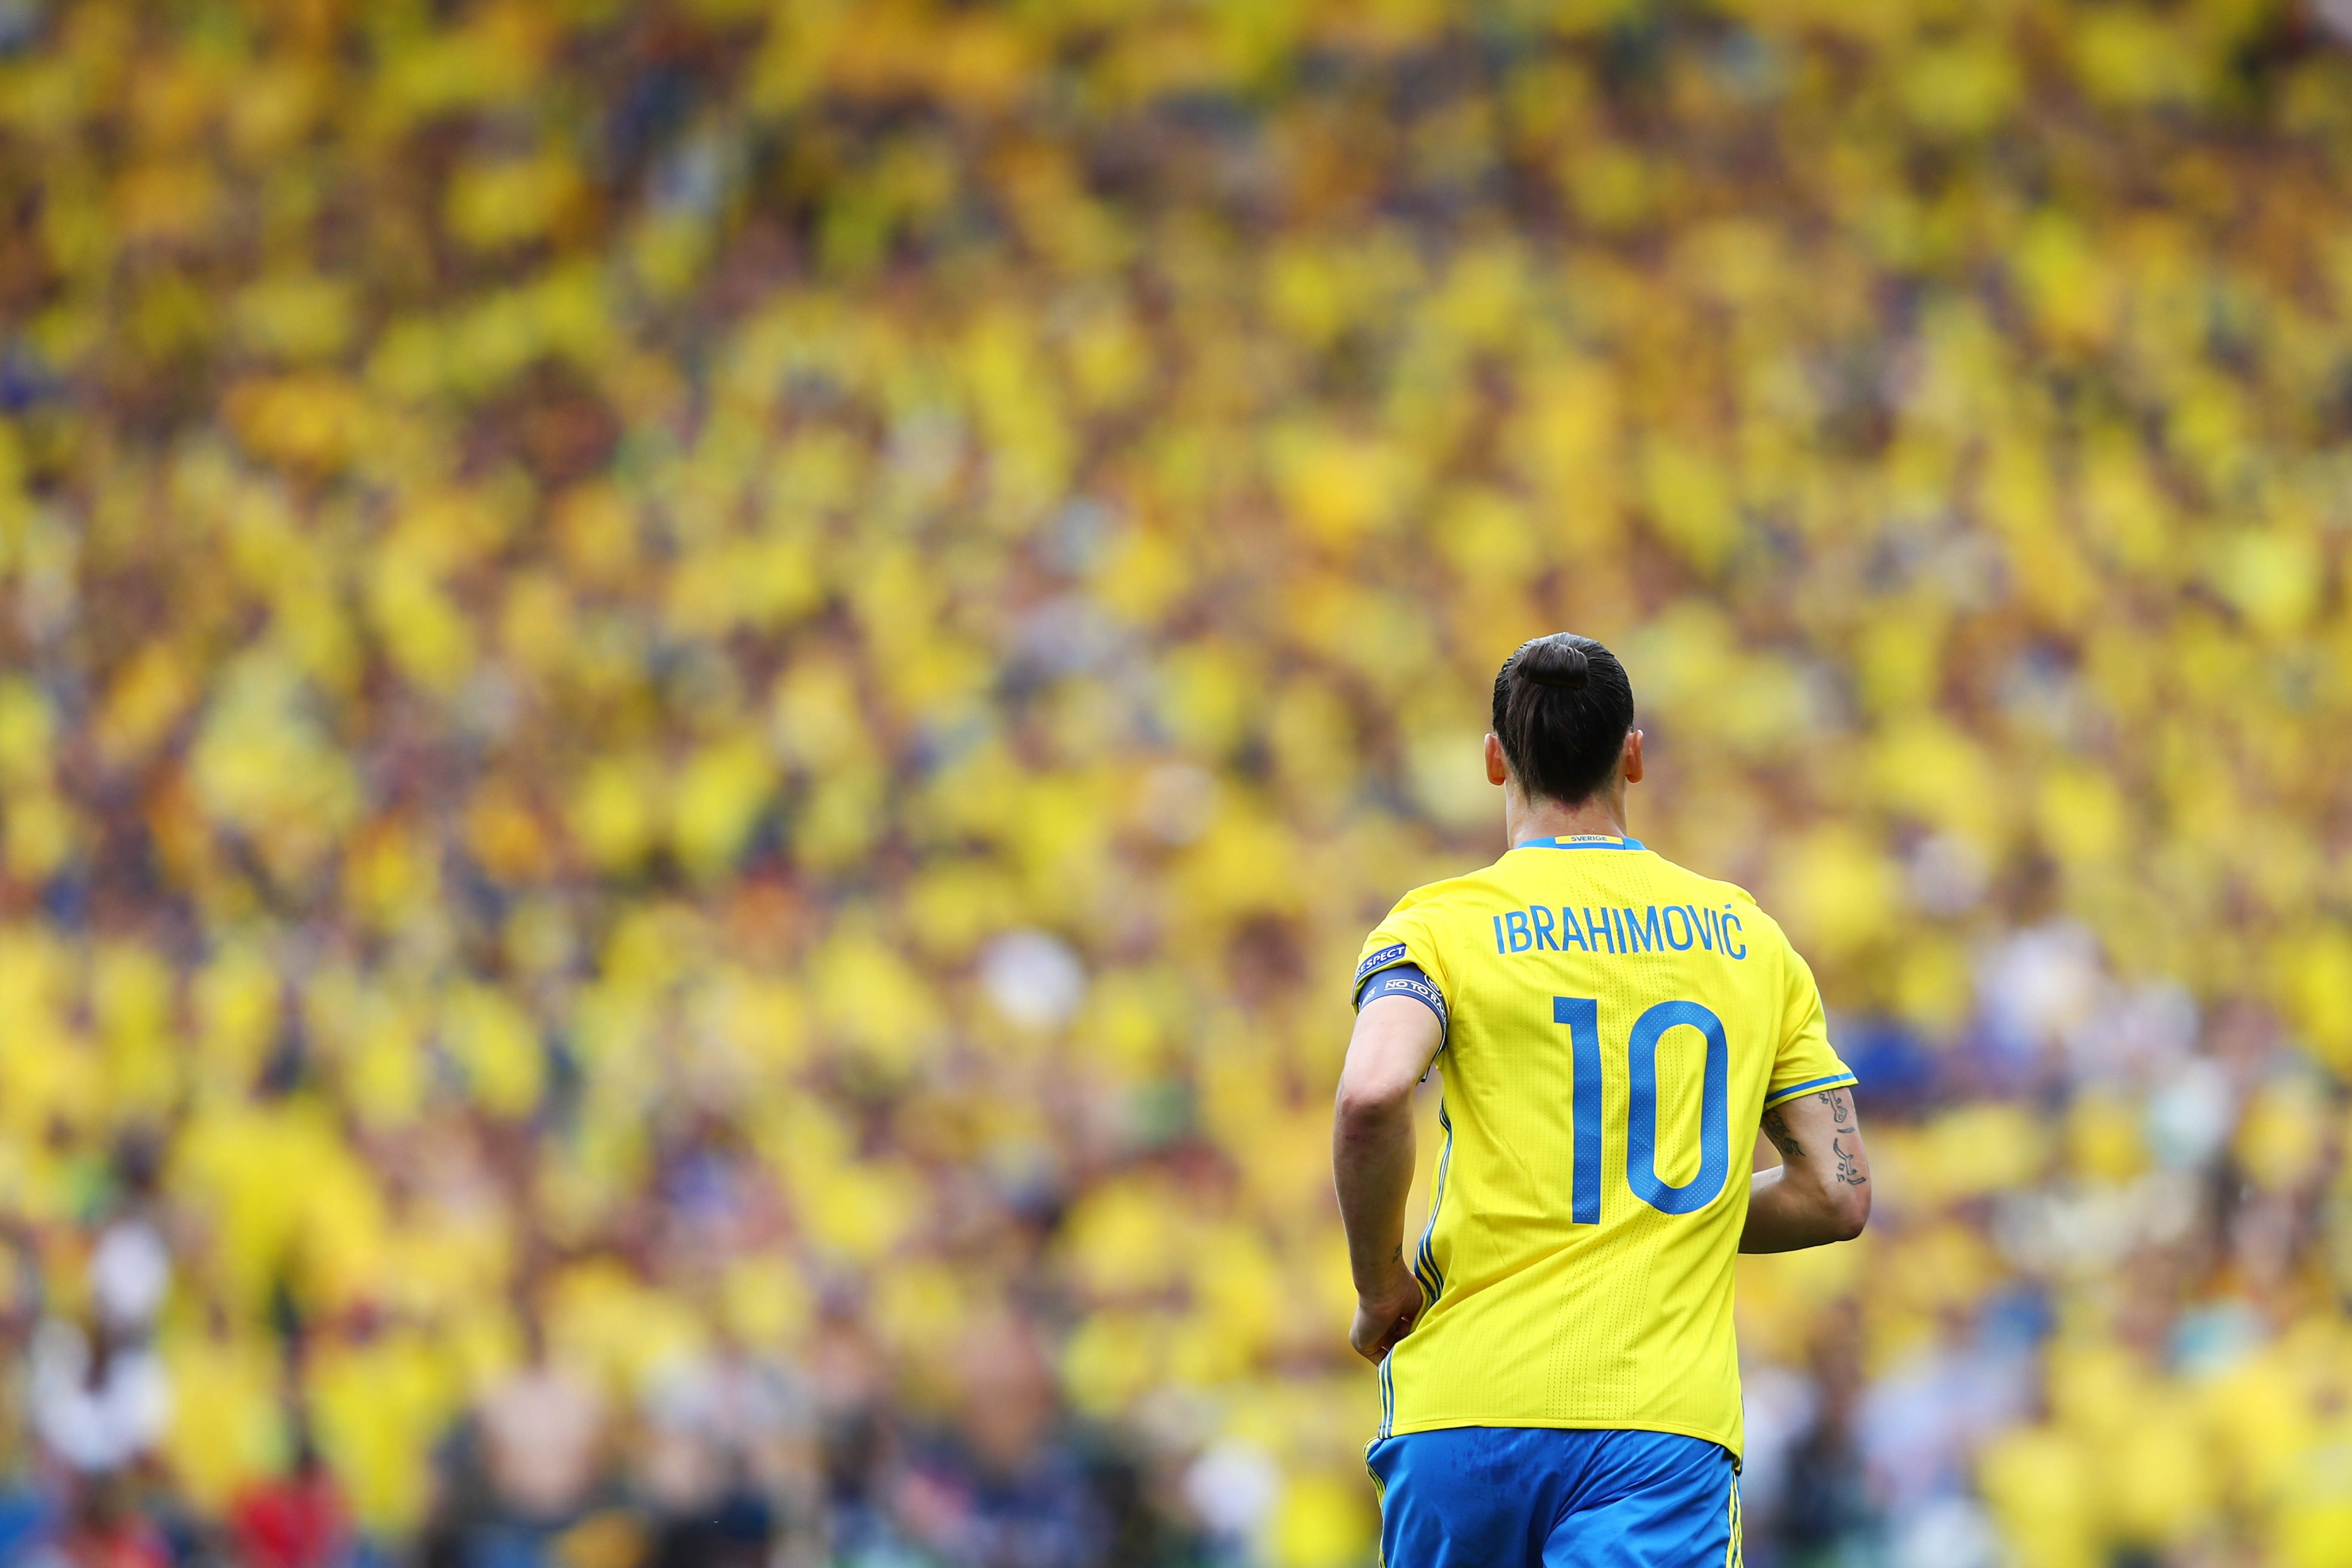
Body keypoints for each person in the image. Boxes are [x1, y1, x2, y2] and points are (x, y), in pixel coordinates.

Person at [1331, 633, 1874, 1568]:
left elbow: (1374, 1091)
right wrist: (1663, 1210)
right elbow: (1839, 1191)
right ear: (1633, 753)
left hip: (1462, 1411)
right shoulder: (1750, 938)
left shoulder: (1438, 926)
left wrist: (1382, 1286)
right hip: (1656, 1427)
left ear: (1496, 759)